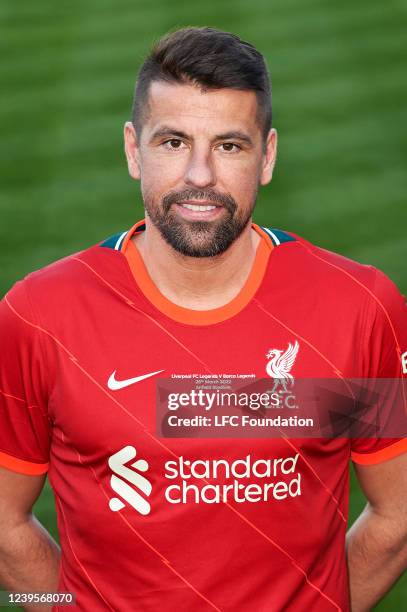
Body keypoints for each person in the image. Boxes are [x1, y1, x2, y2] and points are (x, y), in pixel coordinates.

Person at [0, 26, 406, 612]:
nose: (199, 176)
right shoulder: (36, 316)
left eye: (229, 146)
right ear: (133, 150)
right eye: (172, 142)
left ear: (266, 157)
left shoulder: (362, 305)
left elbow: (397, 514)